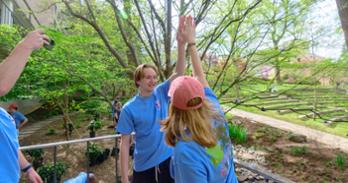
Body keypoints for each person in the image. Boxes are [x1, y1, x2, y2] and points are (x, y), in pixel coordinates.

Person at [161, 16, 239, 183]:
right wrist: (190, 43)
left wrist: (183, 44)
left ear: (173, 109)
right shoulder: (215, 111)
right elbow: (199, 75)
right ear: (202, 97)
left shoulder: (186, 152)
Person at [116, 16, 187, 183]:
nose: (153, 81)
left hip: (168, 161)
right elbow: (124, 144)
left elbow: (179, 74)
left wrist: (181, 44)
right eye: (148, 77)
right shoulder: (128, 108)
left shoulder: (161, 92)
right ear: (138, 81)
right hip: (143, 167)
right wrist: (125, 178)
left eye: (154, 77)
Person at [0, 29, 48, 183]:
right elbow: (1, 85)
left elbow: (9, 144)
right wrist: (25, 47)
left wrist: (28, 168)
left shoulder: (5, 116)